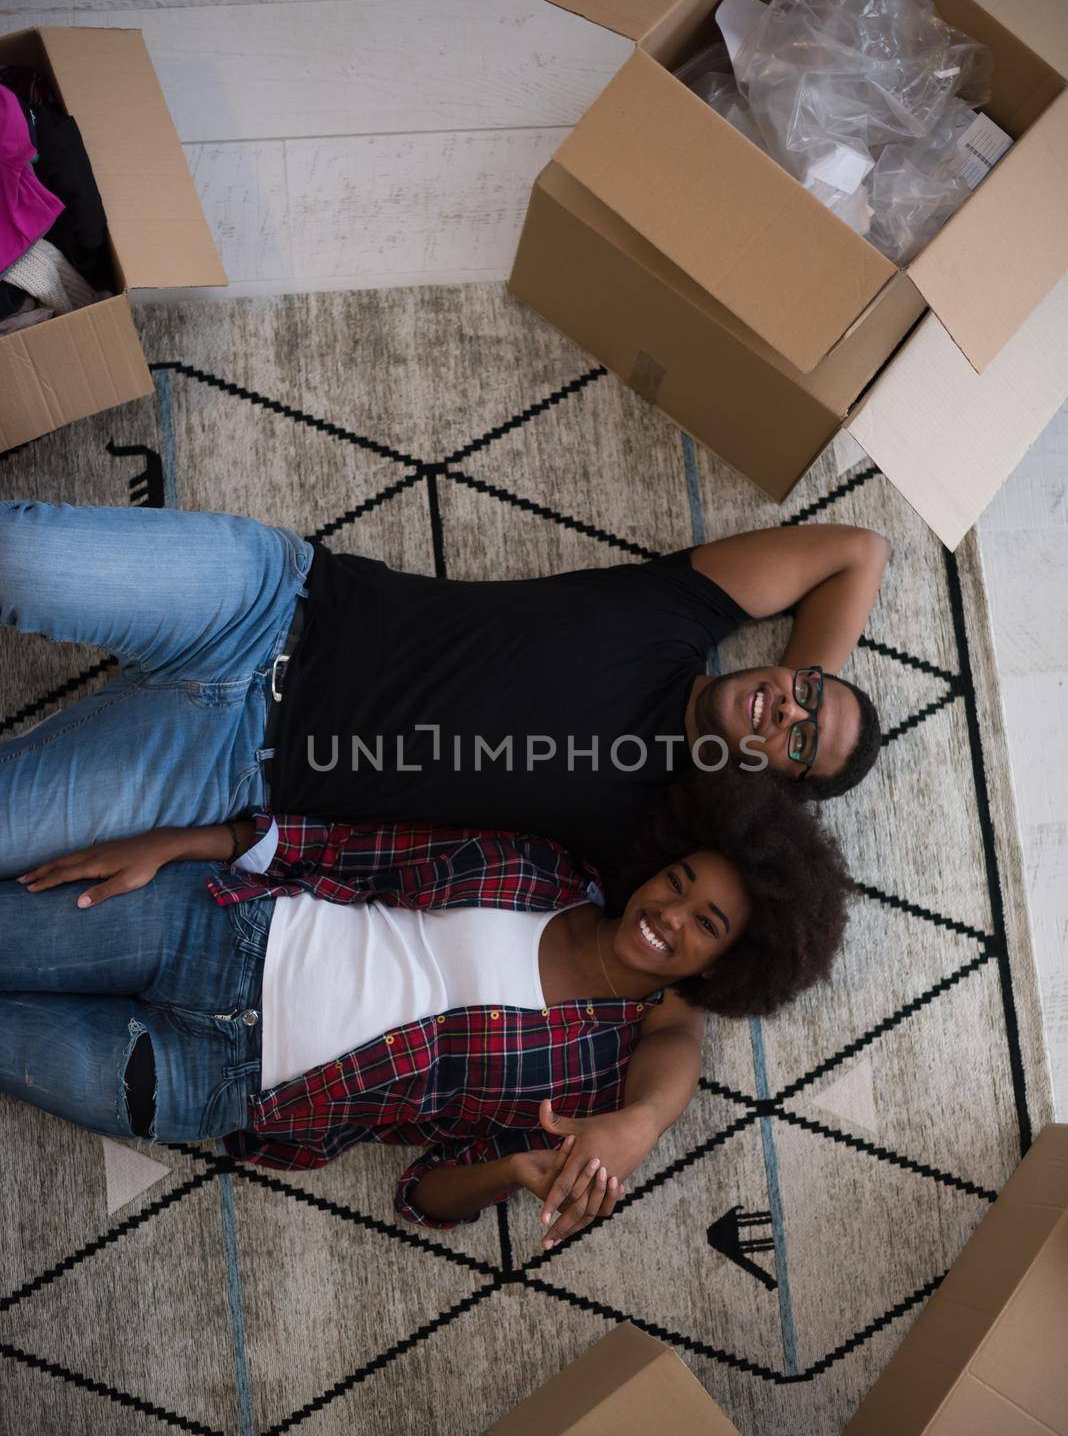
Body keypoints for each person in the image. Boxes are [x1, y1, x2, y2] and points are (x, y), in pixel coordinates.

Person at [6, 771, 851, 1243]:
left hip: (210, 1084)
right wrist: (182, 842)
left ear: (729, 964)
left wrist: (516, 1173)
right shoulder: (543, 870)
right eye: (678, 883)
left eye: (706, 924)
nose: (668, 915)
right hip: (220, 929)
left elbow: (424, 1196)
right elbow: (349, 850)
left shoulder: (597, 1090)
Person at [0, 501, 889, 881]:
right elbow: (859, 553)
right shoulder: (680, 614)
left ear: (778, 785)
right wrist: (802, 721)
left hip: (223, 771)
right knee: (23, 555)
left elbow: (682, 985)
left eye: (802, 741)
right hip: (272, 603)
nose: (789, 705)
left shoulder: (649, 830)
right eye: (809, 689)